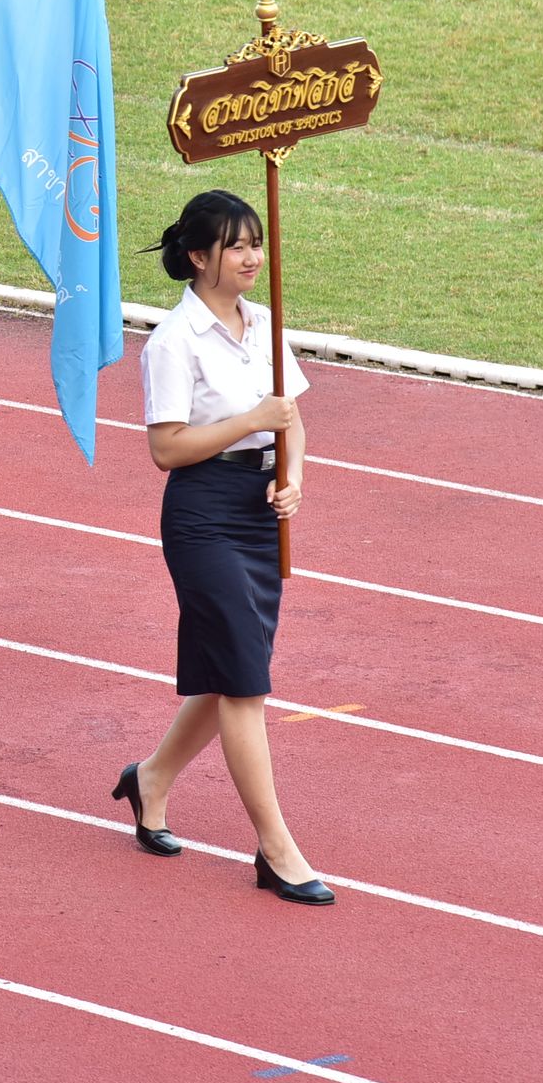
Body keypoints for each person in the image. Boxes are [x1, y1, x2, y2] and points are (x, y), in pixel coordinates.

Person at [114, 189, 330, 905]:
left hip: (258, 512)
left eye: (256, 243)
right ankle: (276, 848)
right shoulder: (174, 341)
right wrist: (251, 421)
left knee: (232, 669)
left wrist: (292, 478)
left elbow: (291, 418)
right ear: (199, 256)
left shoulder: (265, 324)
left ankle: (150, 780)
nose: (252, 257)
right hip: (203, 515)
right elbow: (167, 449)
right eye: (236, 246)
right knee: (244, 682)